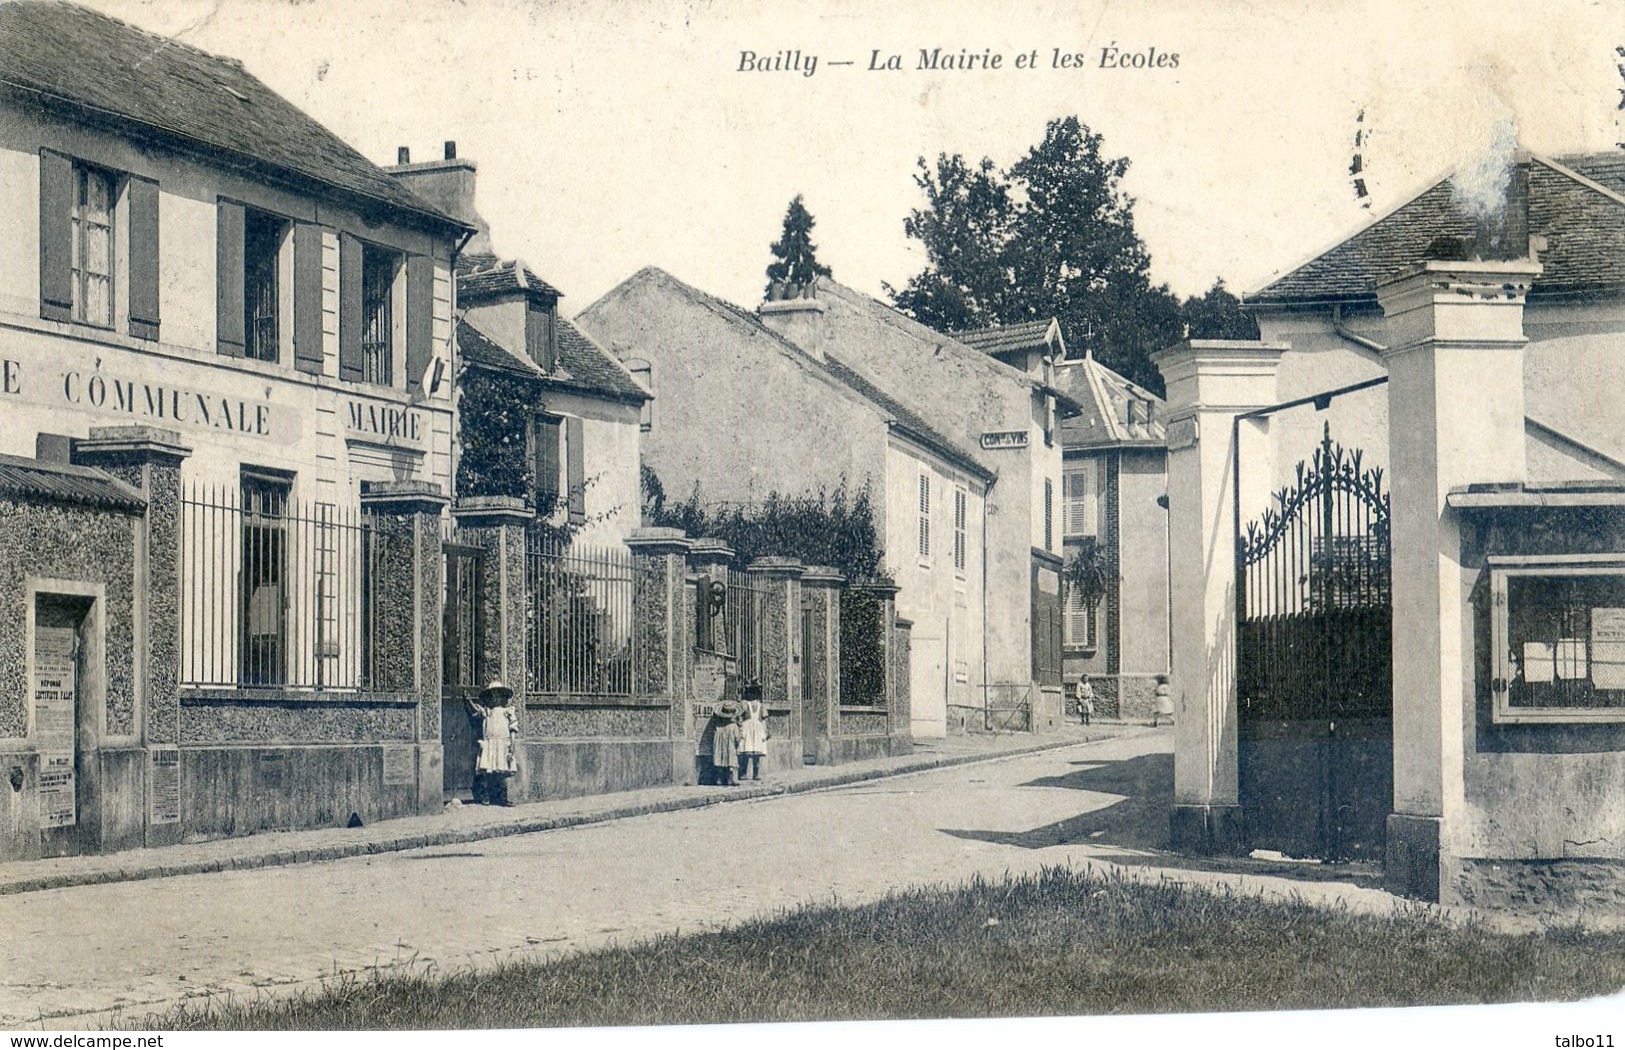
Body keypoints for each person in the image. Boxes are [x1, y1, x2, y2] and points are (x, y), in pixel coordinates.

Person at [468, 680, 519, 805]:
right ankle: (486, 796)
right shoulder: (488, 712)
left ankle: (502, 798)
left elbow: (513, 729)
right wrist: (468, 700)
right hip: (490, 744)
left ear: (503, 697)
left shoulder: (507, 711)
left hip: (503, 744)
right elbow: (476, 710)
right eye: (492, 695)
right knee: (488, 770)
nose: (495, 698)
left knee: (502, 772)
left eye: (498, 695)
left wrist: (512, 745)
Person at [737, 685, 769, 781]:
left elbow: (740, 717)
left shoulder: (745, 704)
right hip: (758, 728)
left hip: (747, 727)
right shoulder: (760, 705)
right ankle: (756, 774)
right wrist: (765, 731)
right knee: (756, 752)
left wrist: (740, 726)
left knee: (746, 751)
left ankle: (743, 773)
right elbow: (764, 719)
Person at [711, 699, 742, 786]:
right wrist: (737, 744)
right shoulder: (733, 726)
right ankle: (730, 779)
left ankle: (719, 779)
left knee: (720, 762)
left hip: (719, 747)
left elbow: (714, 736)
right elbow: (737, 738)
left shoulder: (718, 725)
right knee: (731, 762)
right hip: (730, 746)